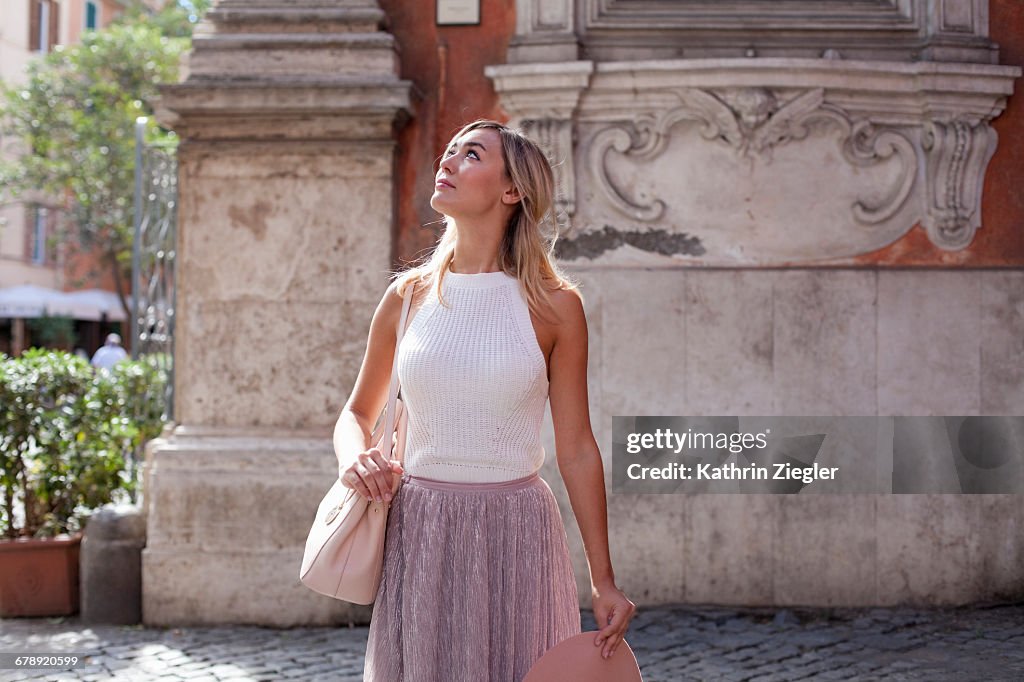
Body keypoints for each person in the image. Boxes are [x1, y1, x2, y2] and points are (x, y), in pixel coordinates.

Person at [336, 119, 636, 681]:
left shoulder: (556, 306)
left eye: (469, 155)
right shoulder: (408, 296)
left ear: (511, 190)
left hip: (518, 531)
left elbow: (575, 447)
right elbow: (356, 414)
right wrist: (354, 458)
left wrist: (604, 579)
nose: (446, 163)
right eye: (447, 152)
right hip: (421, 529)